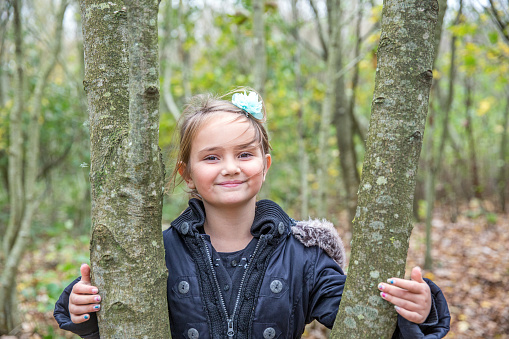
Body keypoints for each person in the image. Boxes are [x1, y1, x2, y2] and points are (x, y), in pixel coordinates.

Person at [54, 89, 450, 338]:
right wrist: (82, 307)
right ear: (186, 173)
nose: (230, 167)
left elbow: (358, 315)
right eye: (211, 157)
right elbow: (115, 312)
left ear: (265, 164)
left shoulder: (304, 255)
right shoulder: (157, 253)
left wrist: (420, 309)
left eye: (244, 154)